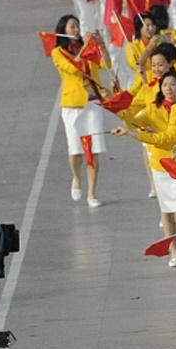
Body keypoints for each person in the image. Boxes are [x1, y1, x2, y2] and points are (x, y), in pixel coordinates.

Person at [50, 15, 107, 208]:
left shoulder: (88, 47)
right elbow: (74, 68)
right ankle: (76, 177)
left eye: (77, 26)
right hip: (73, 105)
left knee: (93, 149)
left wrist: (101, 46)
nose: (76, 30)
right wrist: (85, 47)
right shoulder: (58, 53)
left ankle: (92, 193)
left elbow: (105, 64)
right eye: (72, 27)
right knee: (75, 150)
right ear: (63, 31)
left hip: (92, 103)